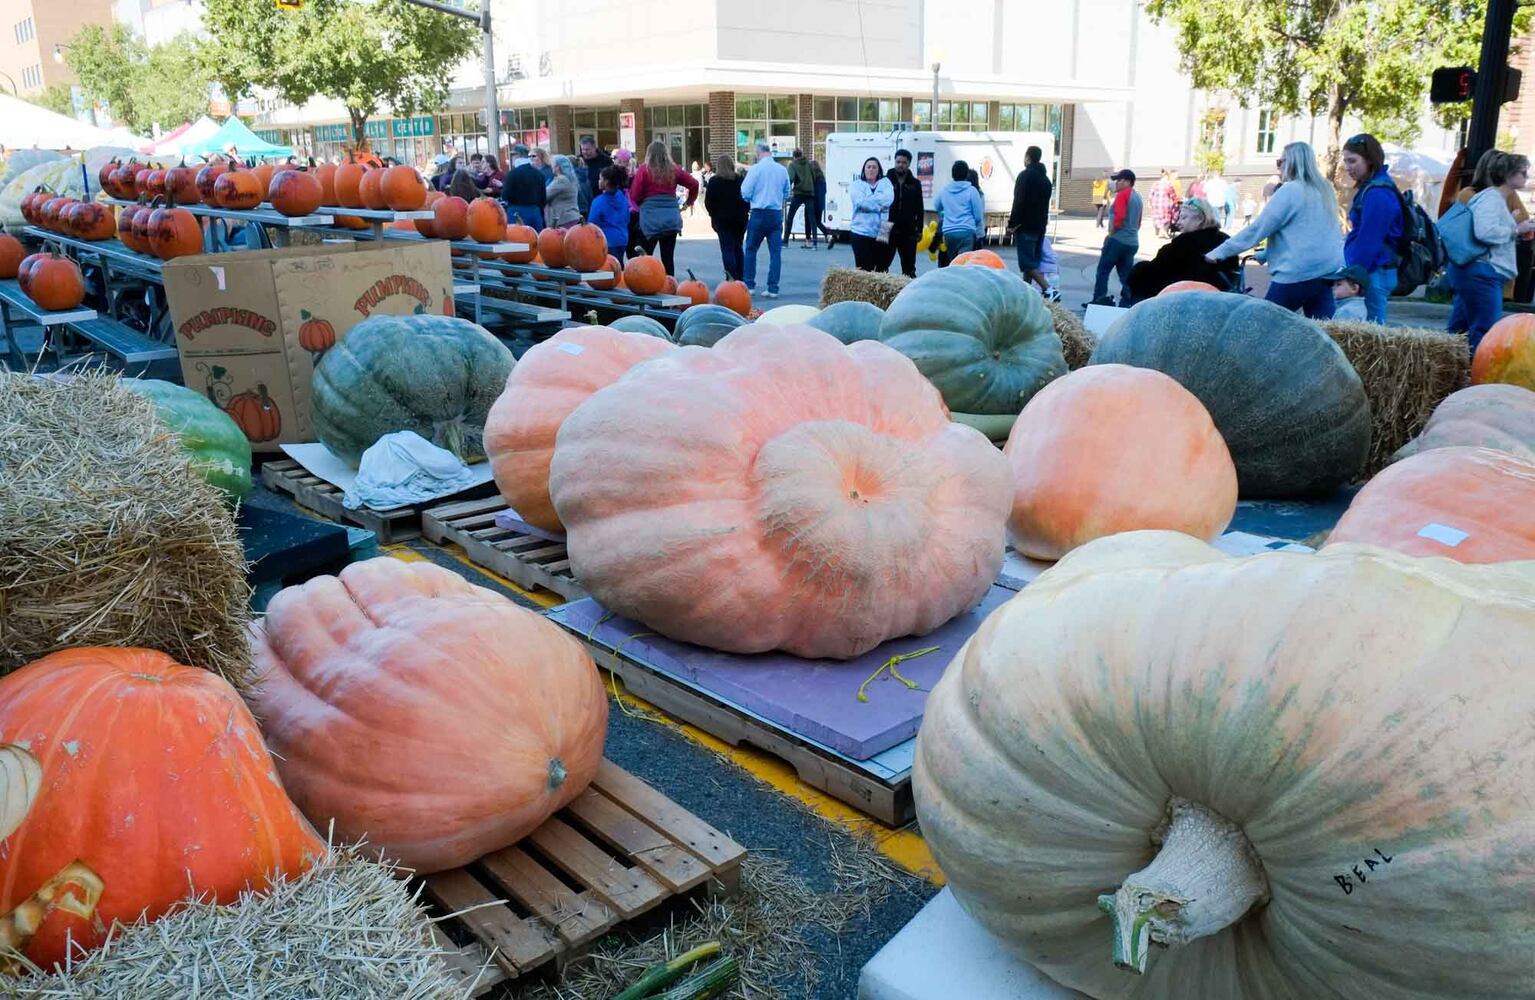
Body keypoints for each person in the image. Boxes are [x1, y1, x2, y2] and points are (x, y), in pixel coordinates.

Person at [1205, 142, 1344, 319]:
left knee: (1265, 325)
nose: (1279, 167)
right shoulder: (1324, 189)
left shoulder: (1291, 190)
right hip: (1326, 271)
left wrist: (1219, 252)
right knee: (1323, 331)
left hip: (1297, 274)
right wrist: (1266, 254)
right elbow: (1307, 234)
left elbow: (1258, 229)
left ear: (1292, 162)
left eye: (1280, 162)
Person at [1447, 150, 1535, 353]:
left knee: (1460, 328)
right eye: (1523, 172)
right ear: (1508, 174)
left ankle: (1454, 373)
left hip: (1476, 271)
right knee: (1485, 330)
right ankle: (1476, 376)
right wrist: (1516, 229)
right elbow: (1485, 232)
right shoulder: (1492, 199)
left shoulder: (1491, 198)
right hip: (1483, 272)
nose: (1526, 176)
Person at [1341, 133, 1405, 323]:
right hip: (1373, 269)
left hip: (1373, 271)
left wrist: (1354, 275)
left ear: (1369, 160)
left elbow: (1369, 240)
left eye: (1352, 161)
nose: (1347, 167)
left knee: (1373, 332)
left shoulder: (1378, 193)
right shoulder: (1375, 188)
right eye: (1345, 161)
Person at [1125, 197, 1237, 302]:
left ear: (1199, 219)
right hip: (1218, 294)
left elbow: (1158, 269)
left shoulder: (1185, 242)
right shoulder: (1225, 241)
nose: (1178, 223)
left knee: (1140, 272)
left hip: (1184, 296)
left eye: (1184, 218)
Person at [628, 140, 698, 275]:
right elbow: (694, 184)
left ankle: (645, 285)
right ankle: (669, 287)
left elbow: (635, 194)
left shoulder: (644, 170)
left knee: (645, 257)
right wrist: (688, 202)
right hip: (670, 218)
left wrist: (643, 203)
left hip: (650, 218)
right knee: (668, 258)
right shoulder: (674, 170)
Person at [739, 140, 790, 298]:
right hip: (775, 213)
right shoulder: (782, 170)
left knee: (751, 249)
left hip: (758, 212)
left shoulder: (755, 169)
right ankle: (773, 287)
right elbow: (787, 192)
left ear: (758, 152)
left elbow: (745, 192)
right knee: (775, 253)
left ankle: (749, 284)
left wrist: (753, 197)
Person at [1006, 145, 1054, 298]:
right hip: (1040, 227)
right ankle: (1025, 294)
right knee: (1032, 263)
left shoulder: (1025, 176)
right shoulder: (1046, 180)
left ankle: (1049, 289)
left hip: (1025, 227)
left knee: (1027, 263)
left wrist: (1012, 224)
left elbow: (1018, 202)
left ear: (1027, 157)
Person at [1090, 169, 1143, 306]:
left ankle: (1098, 300)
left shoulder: (1122, 195)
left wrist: (1111, 235)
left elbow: (1119, 218)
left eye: (1119, 180)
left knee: (1103, 271)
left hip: (1118, 240)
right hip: (1132, 242)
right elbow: (1138, 222)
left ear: (1127, 182)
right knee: (1125, 275)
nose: (1116, 183)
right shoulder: (1137, 197)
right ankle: (1127, 302)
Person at [704, 154, 748, 280]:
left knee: (727, 249)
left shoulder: (714, 181)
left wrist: (713, 215)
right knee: (738, 248)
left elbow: (708, 202)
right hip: (740, 219)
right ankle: (740, 277)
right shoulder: (740, 180)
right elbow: (746, 198)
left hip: (722, 219)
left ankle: (730, 277)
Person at [935, 160, 986, 266]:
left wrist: (945, 214)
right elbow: (977, 215)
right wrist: (974, 226)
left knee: (953, 262)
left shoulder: (945, 190)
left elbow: (937, 205)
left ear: (952, 174)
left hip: (948, 232)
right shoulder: (972, 191)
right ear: (966, 174)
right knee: (964, 264)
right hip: (966, 231)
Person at [848, 157, 894, 271]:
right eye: (868, 167)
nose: (871, 169)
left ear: (879, 170)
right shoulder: (856, 185)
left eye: (874, 167)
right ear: (864, 170)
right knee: (864, 268)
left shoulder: (886, 183)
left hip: (883, 229)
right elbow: (860, 202)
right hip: (860, 230)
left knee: (881, 267)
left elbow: (888, 200)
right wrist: (879, 206)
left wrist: (869, 203)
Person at [886, 149, 924, 277]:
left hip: (908, 230)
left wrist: (919, 229)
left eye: (903, 162)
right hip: (886, 227)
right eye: (898, 162)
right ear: (894, 162)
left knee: (909, 268)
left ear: (908, 164)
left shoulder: (915, 184)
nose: (900, 165)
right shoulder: (885, 181)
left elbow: (920, 208)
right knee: (881, 263)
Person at [588, 165, 633, 266]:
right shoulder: (622, 198)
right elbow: (627, 218)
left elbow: (591, 225)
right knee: (618, 265)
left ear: (606, 182)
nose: (598, 181)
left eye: (600, 179)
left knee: (607, 268)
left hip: (607, 241)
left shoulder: (598, 202)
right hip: (622, 239)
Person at [501, 143, 547, 229]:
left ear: (519, 155)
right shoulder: (539, 174)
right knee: (536, 240)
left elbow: (505, 196)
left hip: (516, 213)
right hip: (535, 213)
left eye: (513, 155)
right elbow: (543, 199)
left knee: (517, 240)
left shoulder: (513, 174)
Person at [785, 148, 817, 247]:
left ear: (794, 156)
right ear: (802, 154)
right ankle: (814, 242)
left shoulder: (793, 165)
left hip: (799, 193)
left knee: (790, 216)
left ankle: (785, 241)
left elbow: (790, 178)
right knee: (812, 219)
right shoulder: (809, 164)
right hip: (810, 193)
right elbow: (814, 176)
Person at [546, 155, 582, 229]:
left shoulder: (561, 180)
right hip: (571, 218)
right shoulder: (570, 179)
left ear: (558, 167)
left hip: (564, 220)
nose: (551, 167)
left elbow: (544, 195)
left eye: (552, 164)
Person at [578, 135, 612, 206]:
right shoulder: (579, 161)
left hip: (602, 197)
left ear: (594, 147)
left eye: (587, 149)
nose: (584, 152)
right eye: (582, 149)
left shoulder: (605, 160)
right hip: (585, 199)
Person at [810, 159, 833, 246]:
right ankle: (828, 235)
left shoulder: (814, 178)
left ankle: (816, 239)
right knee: (817, 221)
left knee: (814, 221)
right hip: (821, 203)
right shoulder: (822, 177)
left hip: (815, 202)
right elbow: (824, 191)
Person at [1149, 171, 1175, 238]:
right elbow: (1173, 195)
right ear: (1166, 177)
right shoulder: (1169, 184)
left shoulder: (1155, 184)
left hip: (1156, 205)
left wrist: (1149, 202)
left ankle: (1159, 232)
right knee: (1166, 219)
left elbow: (1151, 194)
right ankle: (1164, 232)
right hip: (1166, 205)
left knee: (1157, 218)